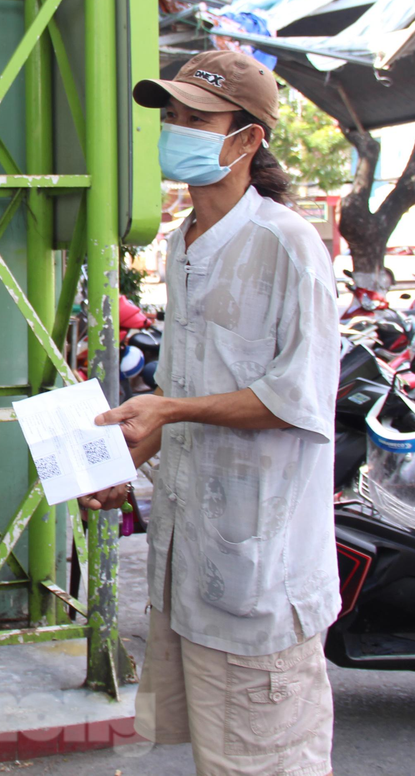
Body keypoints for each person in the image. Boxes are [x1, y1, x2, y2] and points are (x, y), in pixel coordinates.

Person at [81, 51, 341, 776]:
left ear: (247, 140)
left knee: (268, 763)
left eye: (198, 118)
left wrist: (173, 407)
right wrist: (123, 469)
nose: (176, 131)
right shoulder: (181, 246)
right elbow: (181, 405)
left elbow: (300, 399)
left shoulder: (287, 243)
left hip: (263, 577)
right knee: (217, 760)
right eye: (171, 117)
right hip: (191, 567)